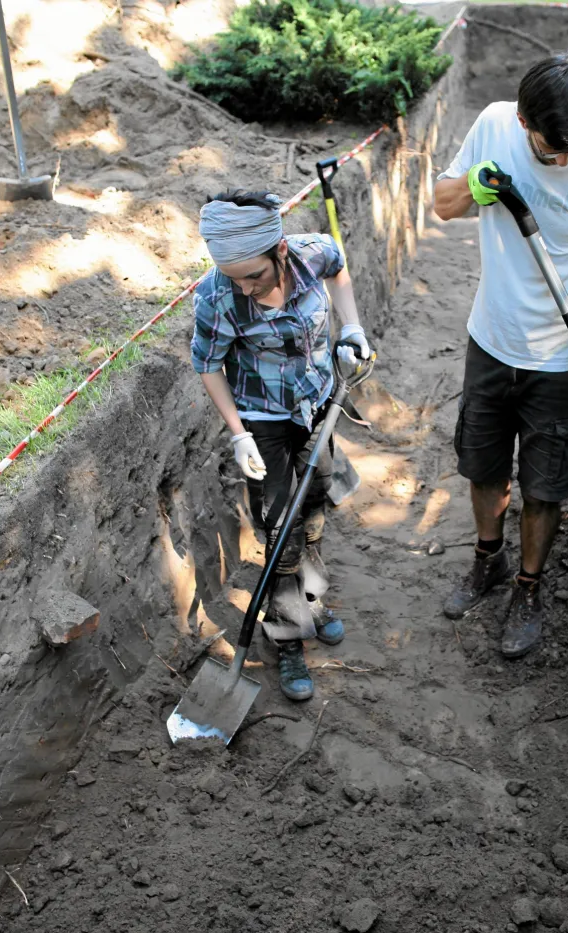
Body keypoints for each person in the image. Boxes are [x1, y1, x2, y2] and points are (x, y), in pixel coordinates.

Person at [431, 53, 568, 658]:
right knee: (482, 466)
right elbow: (441, 204)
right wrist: (471, 187)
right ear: (523, 116)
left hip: (561, 360)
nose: (560, 162)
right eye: (548, 148)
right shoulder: (495, 125)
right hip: (490, 338)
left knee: (545, 485)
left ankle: (528, 587)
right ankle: (489, 560)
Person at [191, 189, 372, 700]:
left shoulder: (312, 254)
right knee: (280, 529)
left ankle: (311, 602)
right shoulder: (216, 296)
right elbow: (208, 365)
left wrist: (351, 323)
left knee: (313, 506)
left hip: (318, 404)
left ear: (281, 253)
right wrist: (238, 433)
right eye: (235, 277)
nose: (246, 288)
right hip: (262, 419)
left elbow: (340, 268)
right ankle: (288, 637)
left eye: (256, 275)